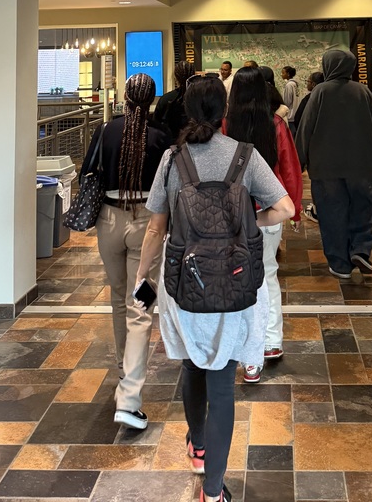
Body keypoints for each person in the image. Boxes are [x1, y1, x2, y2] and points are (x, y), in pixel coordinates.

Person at [136, 76, 294, 502]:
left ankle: (198, 444)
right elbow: (285, 208)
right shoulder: (245, 156)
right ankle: (212, 490)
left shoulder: (173, 159)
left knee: (191, 364)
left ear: (188, 111)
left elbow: (156, 227)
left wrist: (141, 278)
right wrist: (247, 227)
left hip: (185, 282)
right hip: (234, 281)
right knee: (222, 379)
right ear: (224, 111)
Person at [82, 73, 172, 429]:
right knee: (141, 306)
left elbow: (90, 170)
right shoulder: (161, 135)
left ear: (123, 96)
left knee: (119, 296)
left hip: (108, 220)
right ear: (151, 100)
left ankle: (124, 370)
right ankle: (130, 397)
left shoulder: (106, 130)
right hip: (146, 223)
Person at [223, 66, 303, 383]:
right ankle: (271, 342)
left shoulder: (225, 126)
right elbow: (290, 168)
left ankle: (242, 343)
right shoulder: (277, 124)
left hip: (231, 213)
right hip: (269, 211)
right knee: (267, 274)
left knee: (235, 278)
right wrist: (294, 210)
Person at [295, 48, 372, 279]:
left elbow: (305, 129)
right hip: (362, 163)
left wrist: (299, 161)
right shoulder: (363, 91)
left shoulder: (320, 91)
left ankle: (340, 263)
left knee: (332, 212)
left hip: (326, 167)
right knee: (363, 208)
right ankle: (361, 249)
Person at [294, 71, 324, 221]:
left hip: (315, 146)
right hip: (335, 150)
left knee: (317, 180)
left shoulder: (310, 99)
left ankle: (317, 211)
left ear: (313, 84)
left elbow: (301, 122)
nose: (307, 83)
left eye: (308, 81)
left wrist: (301, 156)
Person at [154, 61, 194, 141]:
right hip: (197, 144)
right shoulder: (200, 98)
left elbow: (156, 126)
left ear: (175, 77)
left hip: (170, 145)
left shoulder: (166, 99)